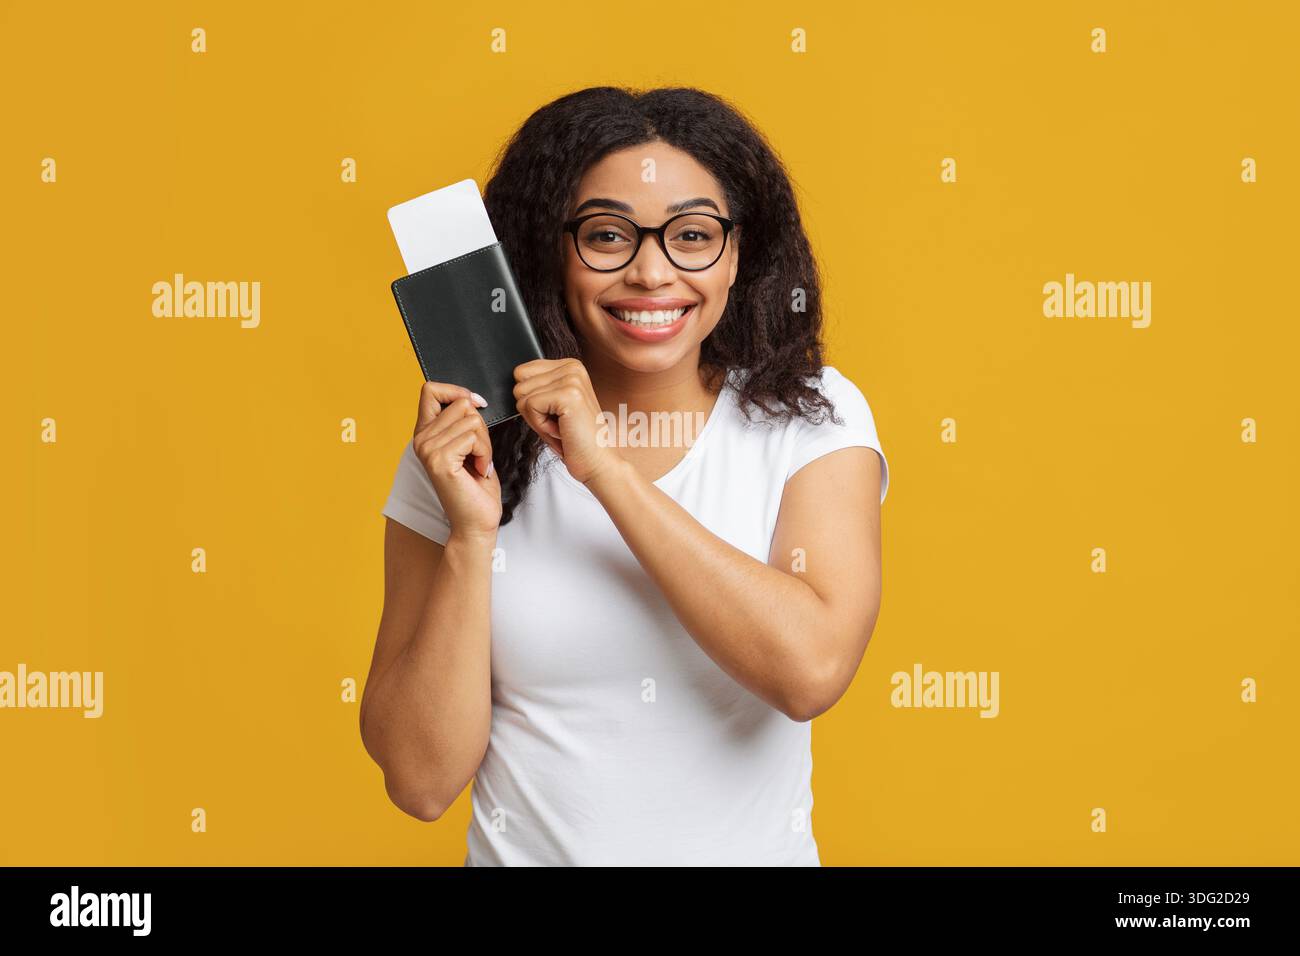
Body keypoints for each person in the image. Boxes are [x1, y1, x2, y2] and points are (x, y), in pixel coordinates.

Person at [360, 86, 890, 866]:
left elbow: (808, 670)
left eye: (693, 235)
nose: (651, 272)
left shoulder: (810, 418)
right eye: (607, 236)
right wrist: (471, 536)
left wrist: (603, 468)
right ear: (550, 249)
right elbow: (420, 781)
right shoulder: (463, 454)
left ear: (737, 254)